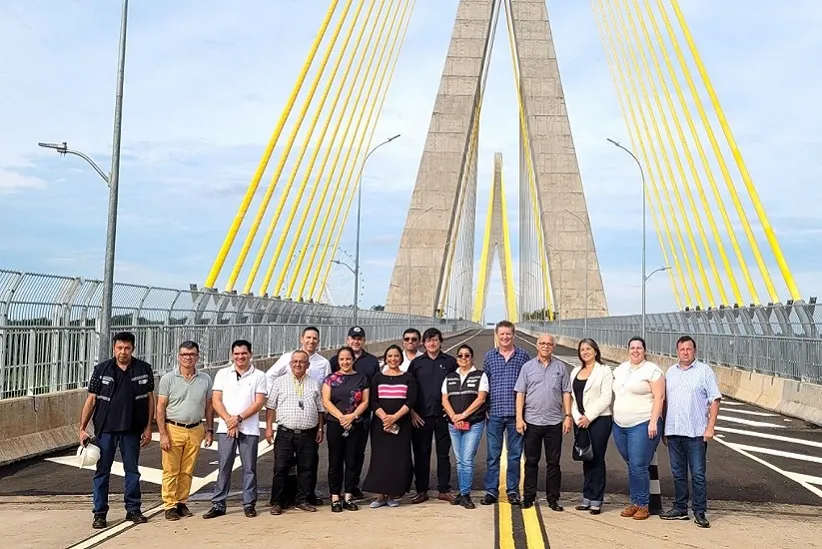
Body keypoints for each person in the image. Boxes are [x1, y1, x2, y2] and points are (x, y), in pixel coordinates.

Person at [79, 331, 155, 529]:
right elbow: (91, 400)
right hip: (105, 430)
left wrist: (148, 427)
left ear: (133, 349)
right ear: (114, 348)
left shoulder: (143, 369)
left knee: (132, 471)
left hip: (132, 430)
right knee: (102, 472)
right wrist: (82, 428)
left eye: (127, 348)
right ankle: (100, 513)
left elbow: (150, 399)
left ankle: (133, 509)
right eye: (119, 348)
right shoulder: (101, 370)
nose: (123, 352)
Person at [265, 326, 330, 506]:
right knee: (281, 467)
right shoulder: (282, 376)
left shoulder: (320, 369)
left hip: (308, 430)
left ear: (307, 365)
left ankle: (305, 498)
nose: (298, 364)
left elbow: (321, 404)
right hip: (286, 430)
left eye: (314, 338)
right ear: (302, 339)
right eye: (295, 362)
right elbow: (270, 402)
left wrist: (320, 428)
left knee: (307, 467)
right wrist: (270, 425)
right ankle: (278, 500)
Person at [660, 336, 721, 528]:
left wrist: (710, 427)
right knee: (678, 473)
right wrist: (663, 429)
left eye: (689, 349)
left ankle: (699, 511)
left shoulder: (704, 372)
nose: (685, 352)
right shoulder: (670, 372)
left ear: (694, 351)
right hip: (674, 430)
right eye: (682, 349)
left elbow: (715, 399)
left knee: (698, 474)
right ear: (677, 351)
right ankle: (680, 508)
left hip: (695, 432)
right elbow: (664, 401)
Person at [203, 340, 268, 519]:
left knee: (249, 468)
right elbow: (216, 400)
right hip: (226, 428)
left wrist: (238, 419)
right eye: (237, 354)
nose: (240, 357)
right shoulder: (223, 373)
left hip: (249, 428)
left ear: (250, 354)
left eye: (244, 353)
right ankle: (218, 503)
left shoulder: (259, 375)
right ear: (232, 355)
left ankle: (249, 503)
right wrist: (229, 421)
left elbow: (259, 402)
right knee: (224, 466)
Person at [156, 341, 214, 521]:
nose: (188, 358)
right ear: (178, 357)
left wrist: (209, 429)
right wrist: (163, 433)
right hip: (173, 428)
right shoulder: (168, 379)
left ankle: (182, 502)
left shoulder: (205, 379)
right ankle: (170, 505)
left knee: (187, 470)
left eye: (192, 354)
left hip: (195, 428)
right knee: (171, 469)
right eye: (184, 354)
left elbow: (209, 406)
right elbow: (160, 407)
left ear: (197, 357)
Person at [514, 333, 572, 510]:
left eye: (549, 344)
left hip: (554, 422)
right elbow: (520, 393)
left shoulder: (560, 367)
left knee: (553, 463)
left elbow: (566, 392)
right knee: (531, 462)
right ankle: (529, 497)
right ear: (537, 346)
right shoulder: (527, 367)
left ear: (553, 347)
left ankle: (553, 499)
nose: (546, 346)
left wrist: (568, 416)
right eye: (542, 343)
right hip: (532, 422)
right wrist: (519, 418)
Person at [611, 336, 665, 521]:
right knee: (630, 464)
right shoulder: (621, 369)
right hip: (620, 425)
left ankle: (643, 505)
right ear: (628, 350)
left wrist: (653, 422)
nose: (635, 351)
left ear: (644, 350)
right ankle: (635, 502)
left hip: (642, 424)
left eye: (639, 348)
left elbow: (659, 398)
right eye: (632, 348)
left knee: (638, 465)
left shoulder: (652, 371)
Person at [481, 320, 531, 506]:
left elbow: (528, 385)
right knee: (493, 455)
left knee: (515, 455)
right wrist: (484, 408)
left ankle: (512, 491)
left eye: (508, 334)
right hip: (494, 413)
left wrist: (524, 413)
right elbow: (484, 384)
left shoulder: (523, 356)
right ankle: (491, 491)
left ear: (514, 335)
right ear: (497, 335)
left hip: (515, 414)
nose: (505, 337)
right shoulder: (489, 357)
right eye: (501, 334)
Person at [329, 326, 381, 498]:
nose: (356, 341)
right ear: (348, 339)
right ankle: (336, 492)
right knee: (336, 456)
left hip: (361, 417)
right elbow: (329, 390)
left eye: (359, 338)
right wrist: (341, 416)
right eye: (353, 338)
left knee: (357, 454)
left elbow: (374, 388)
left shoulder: (372, 361)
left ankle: (353, 487)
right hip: (338, 418)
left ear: (363, 340)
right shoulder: (334, 360)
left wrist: (355, 415)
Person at [408, 327, 458, 503]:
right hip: (421, 417)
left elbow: (458, 387)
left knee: (443, 454)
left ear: (440, 341)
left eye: (435, 340)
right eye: (428, 340)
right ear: (424, 343)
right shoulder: (417, 363)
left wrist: (454, 412)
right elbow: (410, 390)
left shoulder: (451, 362)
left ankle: (443, 489)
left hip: (444, 416)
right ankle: (422, 490)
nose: (432, 343)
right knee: (422, 454)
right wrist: (412, 412)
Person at [363, 345, 417, 508]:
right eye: (390, 356)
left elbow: (410, 401)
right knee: (380, 458)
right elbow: (373, 401)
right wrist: (384, 417)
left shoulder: (408, 378)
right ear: (385, 358)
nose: (393, 359)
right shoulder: (378, 378)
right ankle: (380, 496)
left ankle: (393, 495)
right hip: (381, 425)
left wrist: (395, 417)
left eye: (396, 356)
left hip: (401, 424)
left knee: (397, 458)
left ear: (400, 358)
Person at [322, 347, 370, 512]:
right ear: (338, 360)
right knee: (335, 461)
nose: (345, 362)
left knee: (352, 460)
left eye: (348, 359)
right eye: (342, 359)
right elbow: (326, 401)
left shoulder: (361, 378)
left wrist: (353, 416)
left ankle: (349, 496)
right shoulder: (331, 379)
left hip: (355, 424)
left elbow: (365, 401)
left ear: (353, 360)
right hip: (336, 423)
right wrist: (341, 417)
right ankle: (335, 496)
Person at [569, 338, 613, 515]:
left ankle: (596, 499)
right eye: (582, 349)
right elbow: (573, 397)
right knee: (585, 458)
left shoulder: (604, 371)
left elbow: (605, 398)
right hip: (580, 421)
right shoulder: (575, 371)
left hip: (599, 420)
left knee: (596, 459)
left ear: (596, 351)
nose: (585, 352)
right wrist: (578, 417)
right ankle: (586, 498)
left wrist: (589, 417)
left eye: (588, 349)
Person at [441, 344, 488, 509]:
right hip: (453, 423)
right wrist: (454, 416)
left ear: (472, 358)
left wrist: (463, 415)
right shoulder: (450, 377)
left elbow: (481, 399)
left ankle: (466, 494)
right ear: (457, 359)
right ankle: (462, 492)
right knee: (460, 460)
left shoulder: (480, 376)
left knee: (467, 459)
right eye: (460, 356)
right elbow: (445, 399)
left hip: (473, 423)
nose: (463, 358)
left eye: (466, 356)